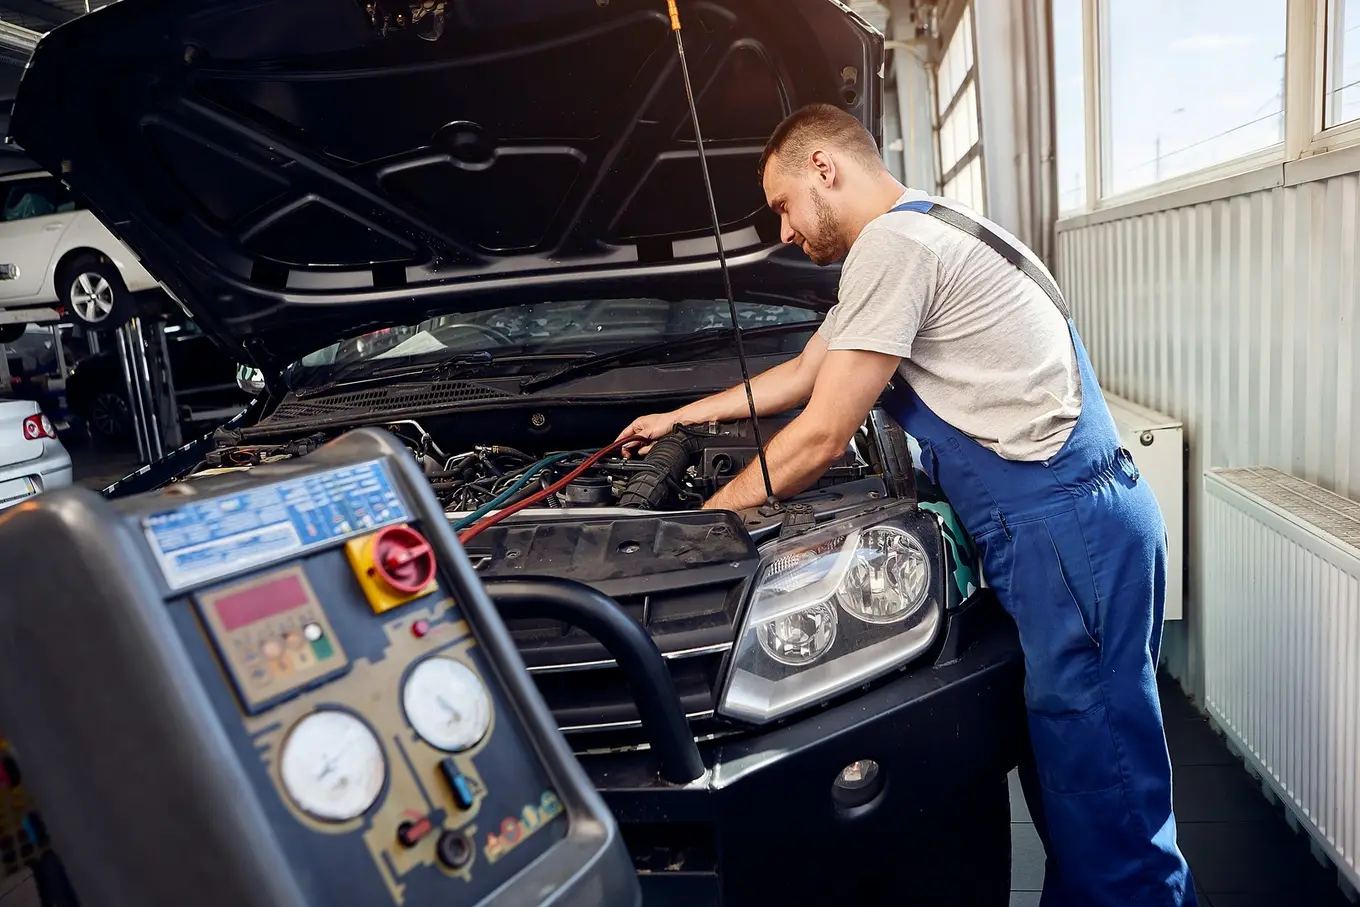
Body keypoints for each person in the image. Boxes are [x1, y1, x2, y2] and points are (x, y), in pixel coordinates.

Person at [616, 103, 1198, 906]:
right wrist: (682, 418)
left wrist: (697, 533)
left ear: (825, 168)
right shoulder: (924, 226)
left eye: (782, 205)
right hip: (1069, 524)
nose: (784, 233)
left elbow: (821, 433)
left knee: (1107, 785)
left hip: (1067, 528)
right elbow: (805, 372)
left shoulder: (894, 245)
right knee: (1070, 766)